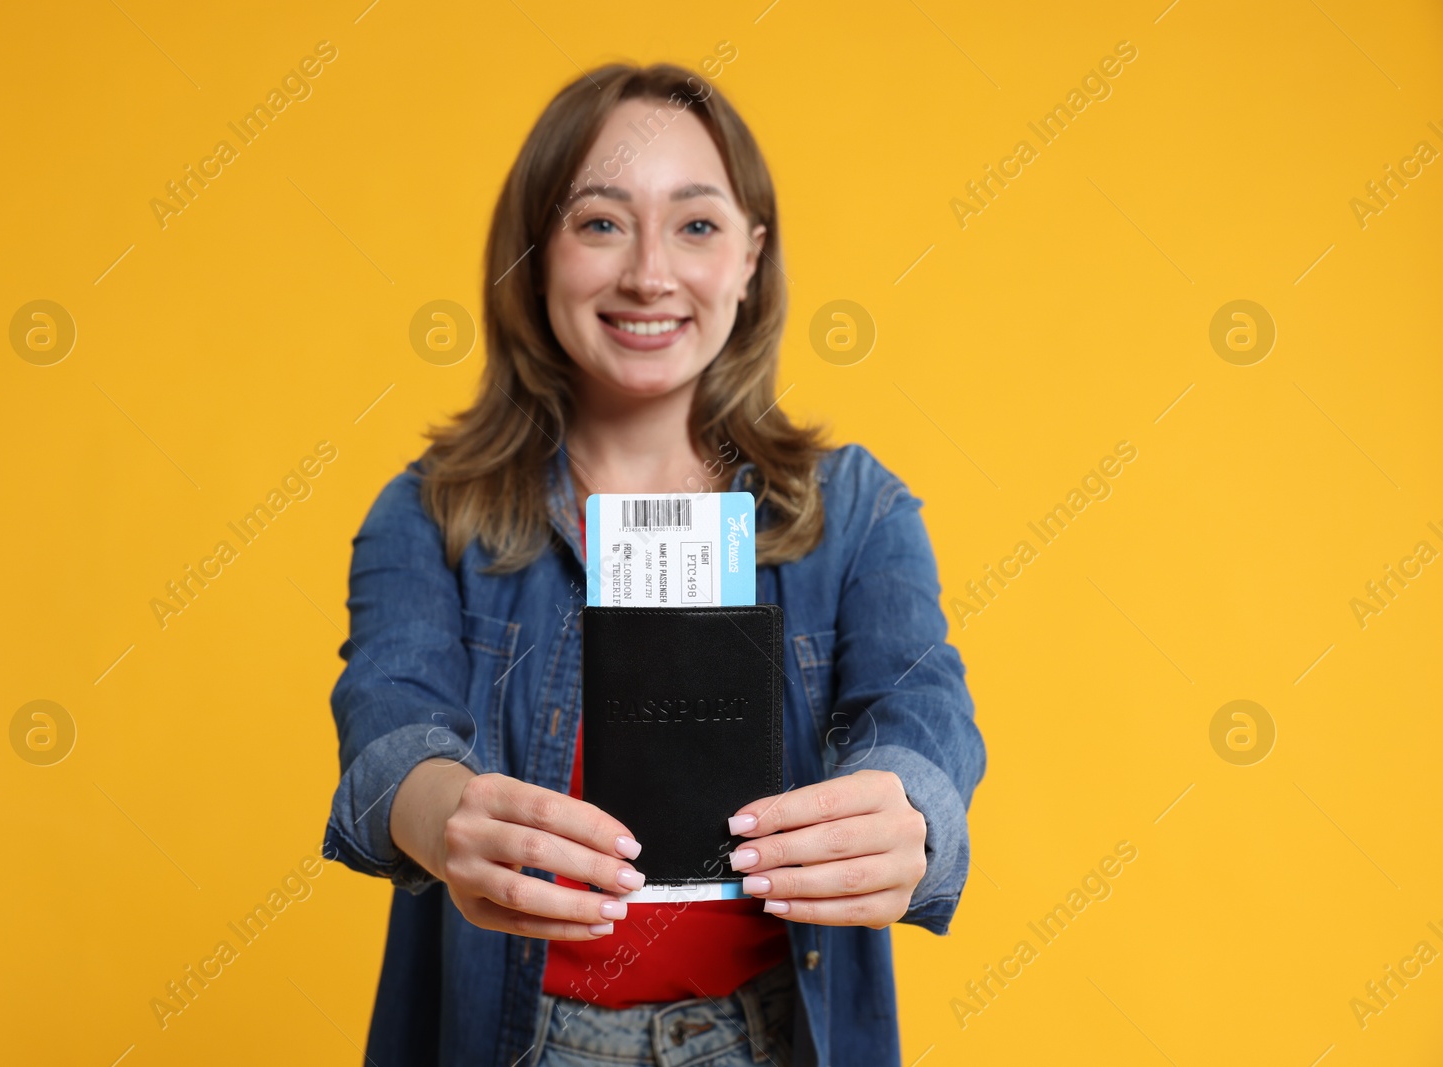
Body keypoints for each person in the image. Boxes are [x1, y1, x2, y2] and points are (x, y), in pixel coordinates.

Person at [322, 62, 986, 1067]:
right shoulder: (428, 511)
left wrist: (911, 806)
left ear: (751, 259)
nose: (648, 273)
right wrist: (438, 809)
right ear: (536, 254)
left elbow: (922, 705)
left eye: (696, 224)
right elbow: (387, 718)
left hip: (770, 1031)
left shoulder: (855, 508)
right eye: (599, 223)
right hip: (518, 1036)